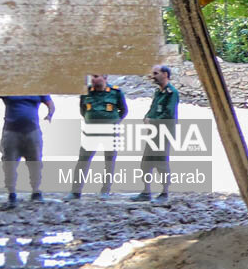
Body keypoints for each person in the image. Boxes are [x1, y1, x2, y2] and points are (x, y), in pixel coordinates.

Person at [0, 94, 55, 206]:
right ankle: (12, 194)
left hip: (32, 131)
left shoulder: (38, 87)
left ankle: (36, 192)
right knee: (9, 163)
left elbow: (50, 104)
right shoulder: (10, 86)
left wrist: (50, 114)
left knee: (35, 162)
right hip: (11, 131)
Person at [70, 74, 128, 199]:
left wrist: (114, 121)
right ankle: (75, 192)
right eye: (92, 76)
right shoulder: (86, 92)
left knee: (109, 162)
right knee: (83, 160)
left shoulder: (116, 92)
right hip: (91, 132)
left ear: (105, 77)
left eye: (96, 76)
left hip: (110, 132)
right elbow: (83, 110)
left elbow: (123, 111)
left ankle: (105, 191)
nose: (93, 79)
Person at [134, 65, 179, 203]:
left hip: (163, 133)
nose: (153, 76)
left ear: (165, 74)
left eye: (156, 73)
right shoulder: (158, 92)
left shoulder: (172, 93)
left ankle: (164, 193)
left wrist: (152, 121)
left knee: (161, 163)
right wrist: (147, 117)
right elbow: (152, 108)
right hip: (153, 133)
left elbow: (169, 114)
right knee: (146, 163)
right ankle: (146, 192)